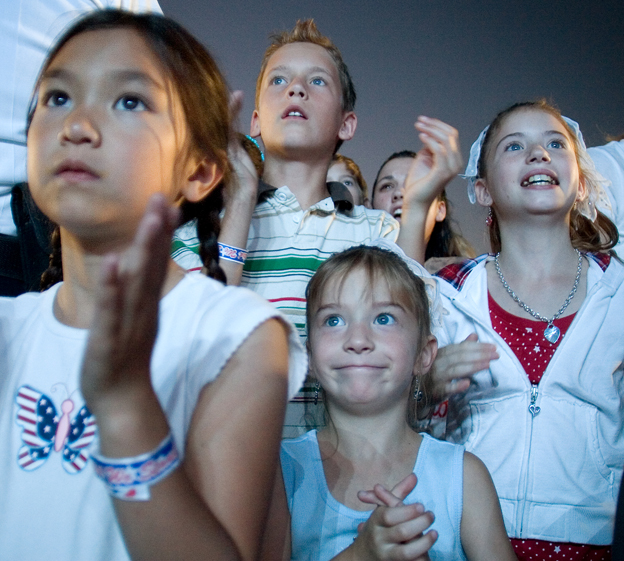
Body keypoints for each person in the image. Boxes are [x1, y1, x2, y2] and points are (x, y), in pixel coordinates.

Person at [0, 11, 306, 560]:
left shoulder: (236, 335)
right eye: (56, 98)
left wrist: (126, 408)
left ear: (199, 170)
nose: (76, 125)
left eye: (129, 101)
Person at [172, 19, 449, 342]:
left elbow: (405, 342)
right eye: (278, 79)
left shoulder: (379, 232)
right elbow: (187, 344)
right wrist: (241, 202)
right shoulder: (199, 233)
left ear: (346, 124)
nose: (296, 88)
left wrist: (417, 208)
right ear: (256, 121)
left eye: (317, 81)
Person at [431, 101, 621, 559]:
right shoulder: (448, 293)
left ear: (580, 183)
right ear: (481, 190)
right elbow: (399, 413)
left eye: (556, 144)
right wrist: (426, 387)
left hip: (592, 543)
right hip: (463, 540)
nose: (539, 153)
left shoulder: (617, 292)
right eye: (514, 146)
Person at [261, 244, 515, 561]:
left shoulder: (465, 477)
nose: (357, 341)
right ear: (309, 355)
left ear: (424, 354)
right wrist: (360, 556)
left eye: (383, 318)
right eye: (334, 320)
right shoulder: (279, 473)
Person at [371, 147, 475, 274]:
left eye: (413, 184)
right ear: (370, 206)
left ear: (440, 210)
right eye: (387, 186)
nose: (398, 193)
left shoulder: (466, 279)